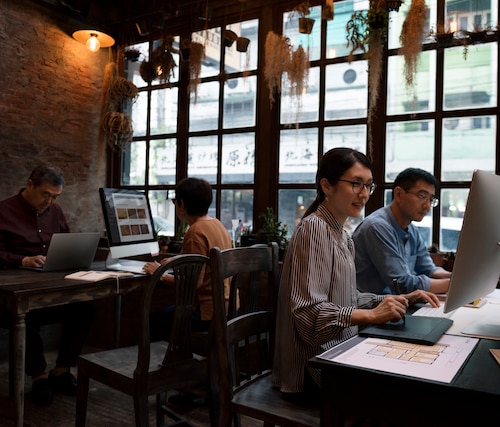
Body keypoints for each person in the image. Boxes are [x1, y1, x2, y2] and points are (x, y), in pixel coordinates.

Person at [272, 148, 439, 403]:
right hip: (312, 371)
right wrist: (372, 314)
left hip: (338, 354)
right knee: (412, 392)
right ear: (327, 186)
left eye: (368, 186)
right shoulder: (314, 229)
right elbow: (308, 316)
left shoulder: (341, 234)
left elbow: (347, 298)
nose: (363, 194)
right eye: (355, 184)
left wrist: (394, 299)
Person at [0, 165, 95, 406]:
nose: (50, 202)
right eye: (46, 194)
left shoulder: (55, 211)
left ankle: (62, 369)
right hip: (13, 292)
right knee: (27, 312)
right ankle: (39, 376)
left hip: (51, 288)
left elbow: (66, 240)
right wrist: (22, 260)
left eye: (55, 197)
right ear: (30, 185)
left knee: (85, 306)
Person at [142, 176, 233, 338]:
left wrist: (160, 275)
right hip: (228, 308)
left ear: (181, 204)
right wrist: (175, 261)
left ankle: (165, 362)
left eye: (174, 202)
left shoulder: (196, 231)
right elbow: (204, 261)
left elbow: (192, 283)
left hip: (206, 312)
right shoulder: (217, 224)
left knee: (153, 320)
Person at [352, 167, 452, 295]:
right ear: (398, 194)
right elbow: (402, 283)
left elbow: (429, 269)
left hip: (397, 304)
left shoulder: (412, 230)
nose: (427, 206)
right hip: (370, 308)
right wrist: (455, 285)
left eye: (431, 199)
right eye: (422, 196)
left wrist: (457, 277)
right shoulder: (377, 227)